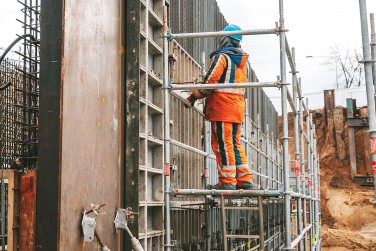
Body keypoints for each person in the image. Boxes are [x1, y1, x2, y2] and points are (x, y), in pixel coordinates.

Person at [186, 24, 253, 190]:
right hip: (237, 109)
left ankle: (227, 182)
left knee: (223, 144)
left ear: (225, 39)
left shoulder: (222, 57)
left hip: (222, 107)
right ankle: (244, 179)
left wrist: (194, 95)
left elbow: (210, 82)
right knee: (234, 143)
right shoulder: (243, 62)